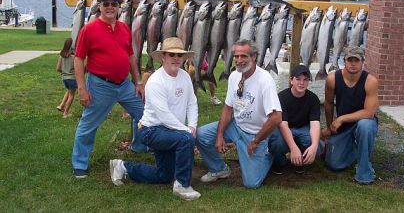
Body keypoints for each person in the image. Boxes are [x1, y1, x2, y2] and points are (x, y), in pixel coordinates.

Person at [109, 37, 201, 200]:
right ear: (163, 57)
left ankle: (123, 167)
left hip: (171, 131)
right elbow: (164, 115)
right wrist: (188, 132)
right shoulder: (156, 81)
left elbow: (192, 103)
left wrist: (192, 126)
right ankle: (182, 185)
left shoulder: (185, 76)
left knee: (164, 175)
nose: (176, 58)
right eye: (171, 54)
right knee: (186, 139)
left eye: (179, 55)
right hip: (151, 131)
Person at [71, 0, 146, 179]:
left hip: (125, 85)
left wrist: (137, 81)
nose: (110, 6)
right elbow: (78, 59)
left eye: (114, 3)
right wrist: (82, 89)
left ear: (119, 7)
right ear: (100, 7)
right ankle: (79, 163)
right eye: (106, 3)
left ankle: (139, 146)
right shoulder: (89, 29)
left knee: (146, 114)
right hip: (100, 85)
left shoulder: (124, 28)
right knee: (88, 125)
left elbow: (130, 56)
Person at [196, 39, 282, 189]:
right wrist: (220, 135)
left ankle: (268, 156)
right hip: (236, 126)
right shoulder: (234, 76)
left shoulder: (265, 80)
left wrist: (255, 141)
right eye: (236, 56)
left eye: (244, 56)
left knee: (251, 183)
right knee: (201, 134)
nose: (239, 60)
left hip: (256, 134)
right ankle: (219, 169)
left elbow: (276, 117)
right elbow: (228, 108)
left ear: (254, 57)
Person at [321, 46, 379, 184]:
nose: (353, 63)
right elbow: (328, 103)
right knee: (333, 164)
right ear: (344, 61)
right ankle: (355, 149)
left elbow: (369, 112)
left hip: (364, 121)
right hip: (344, 127)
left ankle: (364, 172)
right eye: (349, 60)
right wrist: (330, 127)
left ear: (362, 62)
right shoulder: (332, 78)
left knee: (365, 126)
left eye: (356, 60)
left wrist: (341, 118)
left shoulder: (370, 81)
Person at [269, 65, 321, 175]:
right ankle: (279, 162)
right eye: (298, 79)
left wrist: (314, 146)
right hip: (284, 129)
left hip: (303, 129)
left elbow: (315, 124)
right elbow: (283, 124)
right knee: (276, 142)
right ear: (291, 80)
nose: (301, 83)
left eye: (305, 80)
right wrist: (293, 148)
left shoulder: (313, 99)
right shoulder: (282, 97)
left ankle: (300, 162)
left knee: (316, 144)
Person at [56, 37, 77, 118]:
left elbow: (58, 69)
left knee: (68, 91)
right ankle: (66, 113)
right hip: (72, 78)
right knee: (72, 95)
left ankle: (61, 105)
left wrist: (65, 72)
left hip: (64, 78)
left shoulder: (61, 56)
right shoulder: (73, 57)